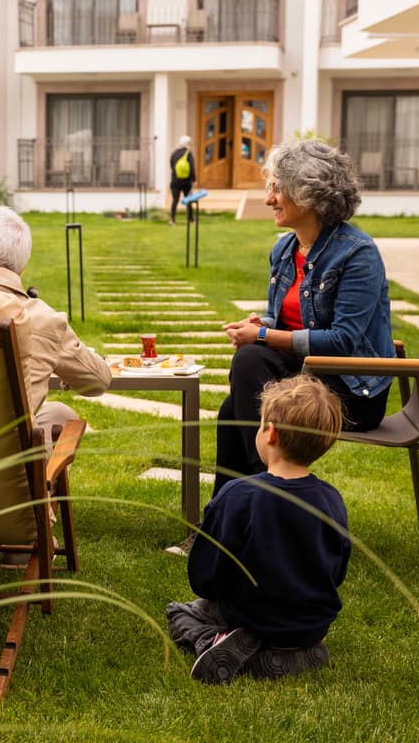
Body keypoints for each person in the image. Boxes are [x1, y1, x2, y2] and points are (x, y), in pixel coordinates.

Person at [215, 139, 393, 496]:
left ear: (309, 194)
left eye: (278, 189)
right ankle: (238, 511)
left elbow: (342, 341)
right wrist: (262, 325)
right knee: (232, 406)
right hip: (306, 374)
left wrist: (263, 338)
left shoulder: (358, 254)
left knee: (250, 361)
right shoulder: (285, 249)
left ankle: (260, 498)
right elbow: (289, 321)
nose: (268, 200)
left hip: (352, 390)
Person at [0, 205, 111, 564]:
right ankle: (27, 535)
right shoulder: (40, 319)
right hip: (1, 491)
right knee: (59, 416)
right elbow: (99, 380)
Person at [167, 375, 350, 684]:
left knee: (179, 612)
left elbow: (205, 578)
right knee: (283, 627)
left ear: (271, 434)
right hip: (311, 624)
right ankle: (297, 653)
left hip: (252, 617)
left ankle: (216, 643)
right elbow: (338, 572)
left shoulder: (238, 496)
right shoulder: (331, 500)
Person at [168, 135, 196, 227]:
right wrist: (194, 179)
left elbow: (172, 166)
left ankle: (172, 220)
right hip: (186, 182)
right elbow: (192, 168)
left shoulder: (174, 154)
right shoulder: (188, 153)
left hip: (175, 180)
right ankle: (191, 220)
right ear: (187, 144)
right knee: (188, 200)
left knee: (175, 200)